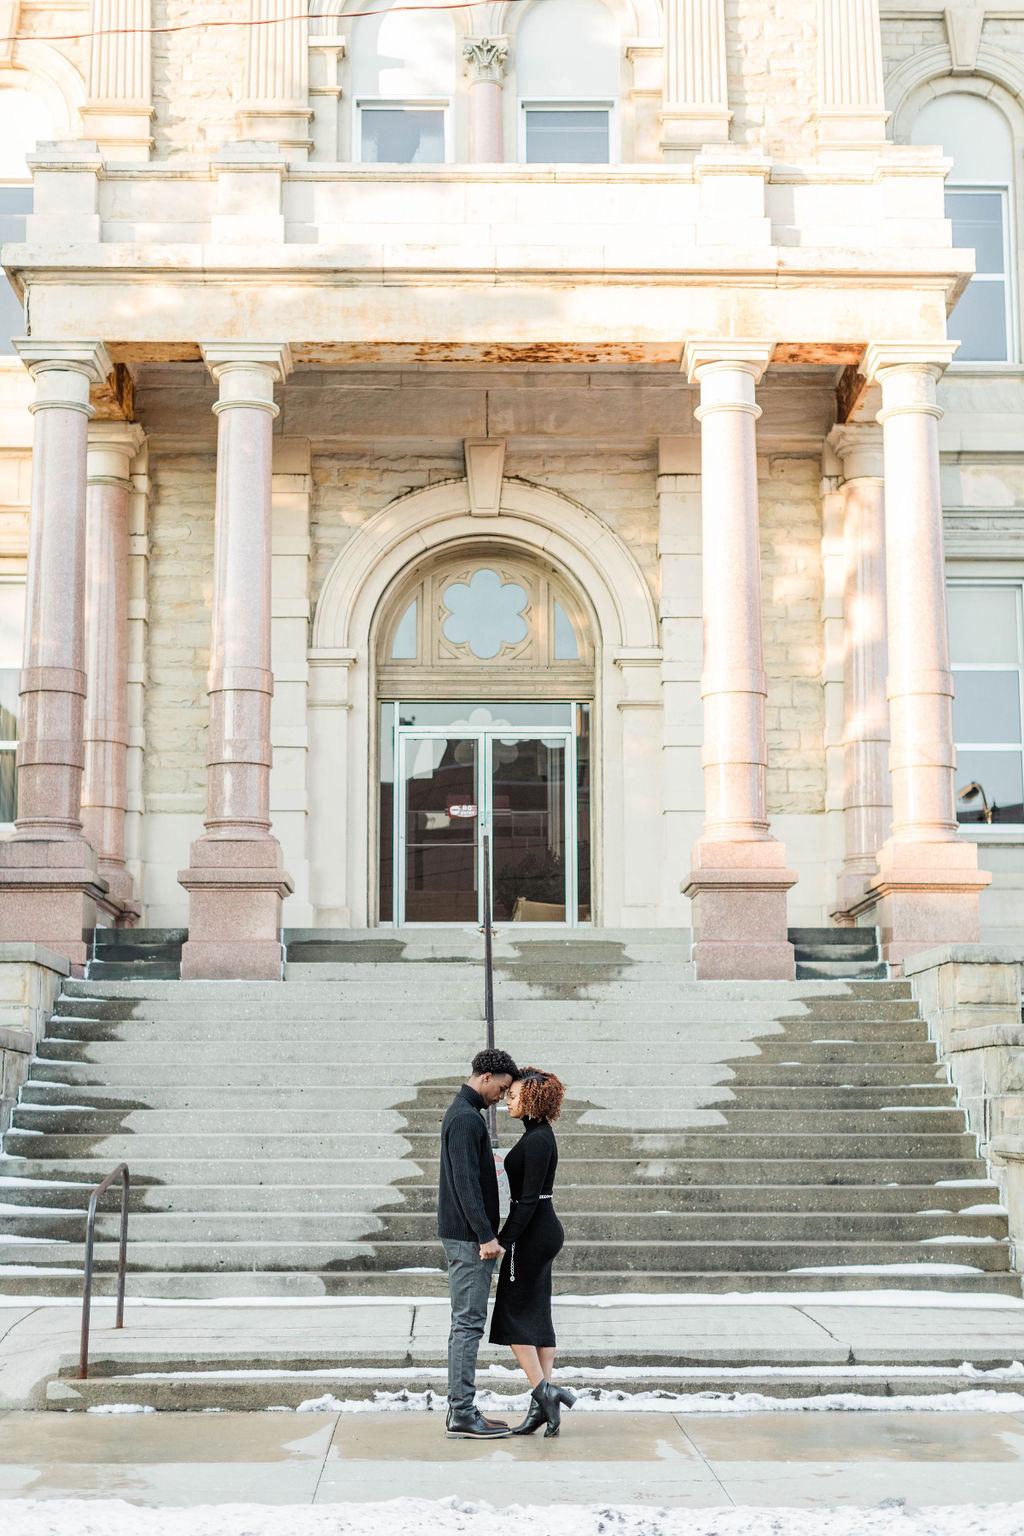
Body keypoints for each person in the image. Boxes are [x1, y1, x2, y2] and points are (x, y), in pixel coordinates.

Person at [488, 1067, 577, 1437]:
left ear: (533, 1099)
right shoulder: (537, 1135)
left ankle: (544, 1390)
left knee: (513, 1317)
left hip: (533, 1233)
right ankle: (542, 1408)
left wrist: (504, 1240)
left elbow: (527, 1200)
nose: (507, 1100)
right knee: (537, 1317)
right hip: (539, 1230)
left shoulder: (539, 1139)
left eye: (514, 1095)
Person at [437, 1046, 519, 1439]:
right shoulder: (466, 1118)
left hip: (465, 1236)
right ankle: (462, 1413)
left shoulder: (464, 1114)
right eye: (501, 1089)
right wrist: (485, 1235)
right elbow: (466, 1183)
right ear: (486, 1077)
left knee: (465, 1324)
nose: (501, 1097)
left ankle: (462, 1410)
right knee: (467, 1325)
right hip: (470, 1239)